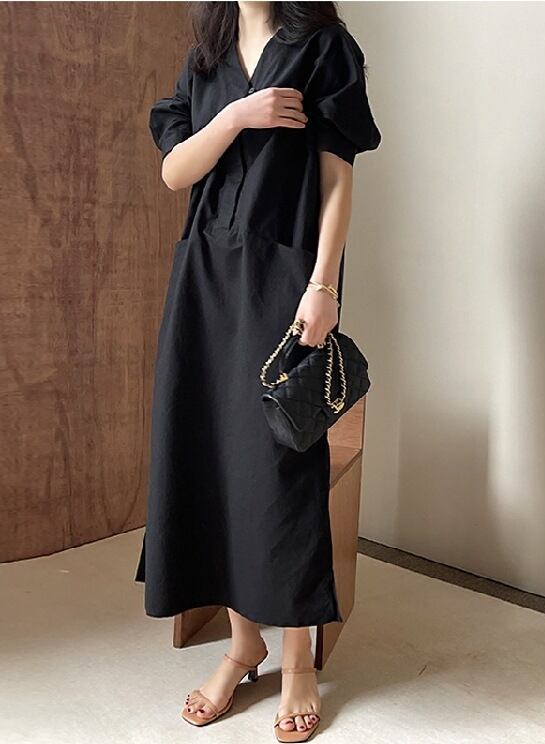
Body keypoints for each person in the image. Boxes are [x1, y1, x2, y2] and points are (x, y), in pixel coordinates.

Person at [133, 1, 381, 741]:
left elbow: (337, 180)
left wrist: (324, 285)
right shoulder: (206, 58)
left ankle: (298, 656)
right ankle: (244, 646)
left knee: (279, 466)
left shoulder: (324, 48)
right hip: (204, 278)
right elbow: (175, 170)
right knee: (214, 458)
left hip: (284, 275)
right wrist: (238, 115)